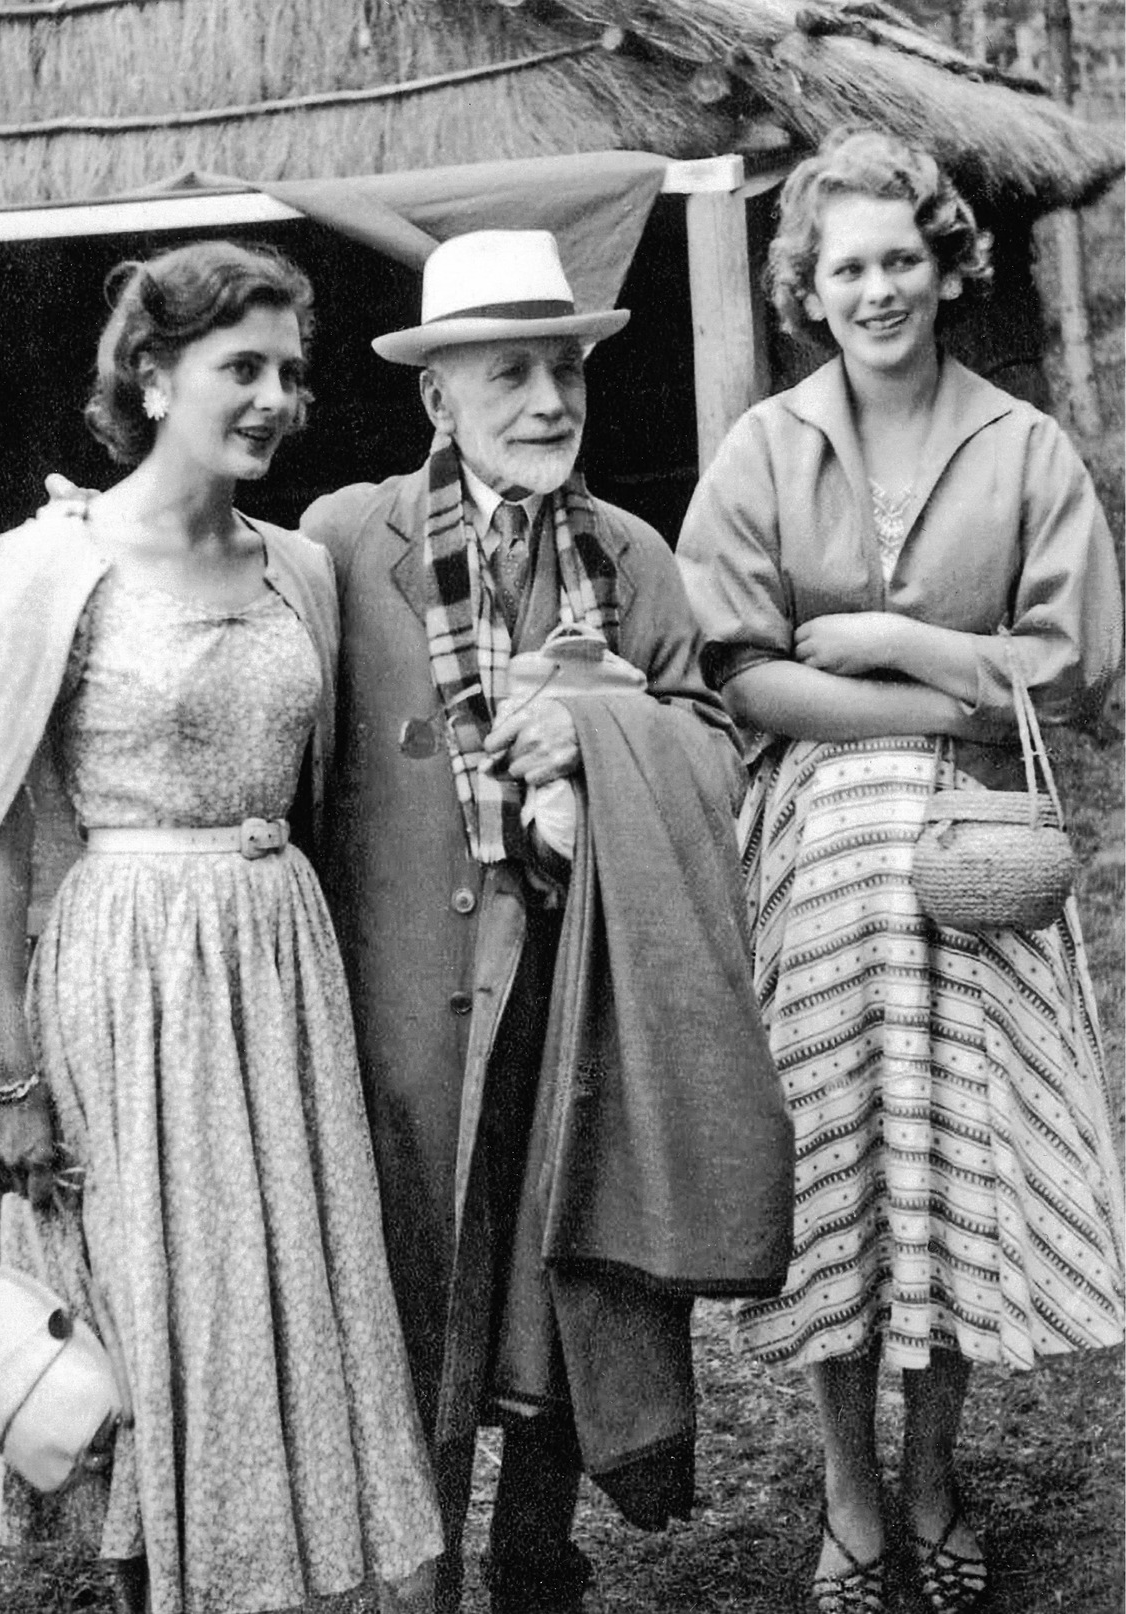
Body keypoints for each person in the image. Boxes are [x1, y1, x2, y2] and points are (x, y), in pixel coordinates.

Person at [0, 240, 443, 1614]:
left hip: (277, 967)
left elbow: (330, 792)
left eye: (291, 372)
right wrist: (6, 1077)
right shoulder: (47, 566)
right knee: (151, 1328)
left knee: (275, 1318)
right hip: (126, 978)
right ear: (153, 375)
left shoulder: (300, 570)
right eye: (241, 367)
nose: (276, 397)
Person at [297, 229, 794, 1613]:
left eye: (564, 367)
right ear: (434, 397)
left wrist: (591, 725)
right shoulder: (346, 542)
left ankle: (535, 1562)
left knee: (569, 1278)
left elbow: (712, 752)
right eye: (507, 372)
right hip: (406, 1013)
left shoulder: (632, 557)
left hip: (585, 989)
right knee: (420, 1302)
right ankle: (421, 1575)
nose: (547, 400)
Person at [676, 128, 1125, 1614]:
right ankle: (850, 1487)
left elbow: (1077, 672)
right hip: (814, 865)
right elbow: (737, 674)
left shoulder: (1024, 446)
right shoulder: (763, 447)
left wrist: (899, 645)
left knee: (952, 1182)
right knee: (836, 1178)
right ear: (808, 283)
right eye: (844, 265)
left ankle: (935, 1469)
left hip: (980, 865)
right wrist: (954, 693)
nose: (874, 289)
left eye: (899, 259)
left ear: (946, 265)